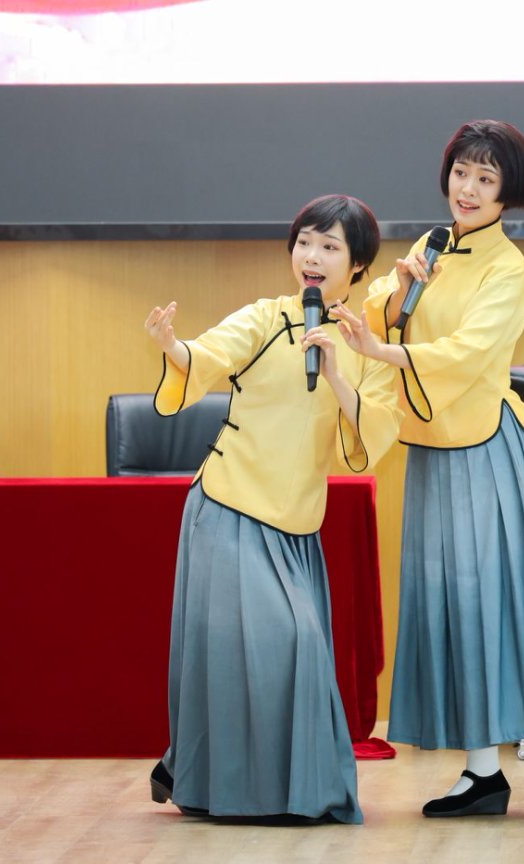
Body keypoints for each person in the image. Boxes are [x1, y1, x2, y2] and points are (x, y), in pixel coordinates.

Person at [332, 120, 524, 819]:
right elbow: (379, 316)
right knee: (453, 607)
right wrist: (398, 292)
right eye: (462, 172)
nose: (469, 188)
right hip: (434, 451)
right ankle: (483, 770)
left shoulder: (507, 267)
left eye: (486, 178)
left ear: (507, 193)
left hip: (493, 452)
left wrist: (386, 350)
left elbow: (468, 353)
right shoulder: (429, 247)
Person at [143, 194, 402, 824]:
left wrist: (337, 370)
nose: (311, 256)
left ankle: (285, 791)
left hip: (294, 523)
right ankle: (228, 787)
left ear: (358, 265)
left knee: (293, 650)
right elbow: (206, 357)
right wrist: (174, 347)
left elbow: (368, 441)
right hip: (228, 504)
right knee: (275, 645)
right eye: (305, 242)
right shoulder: (266, 316)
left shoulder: (367, 344)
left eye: (330, 246)